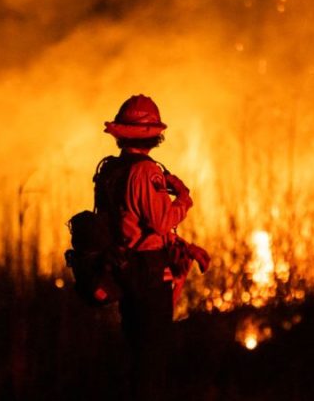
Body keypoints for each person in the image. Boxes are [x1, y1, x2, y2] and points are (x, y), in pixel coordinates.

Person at [93, 94, 193, 400]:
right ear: (154, 136)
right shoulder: (146, 172)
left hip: (124, 271)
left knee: (135, 355)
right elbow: (161, 222)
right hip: (148, 276)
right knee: (152, 363)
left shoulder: (110, 170)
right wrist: (184, 200)